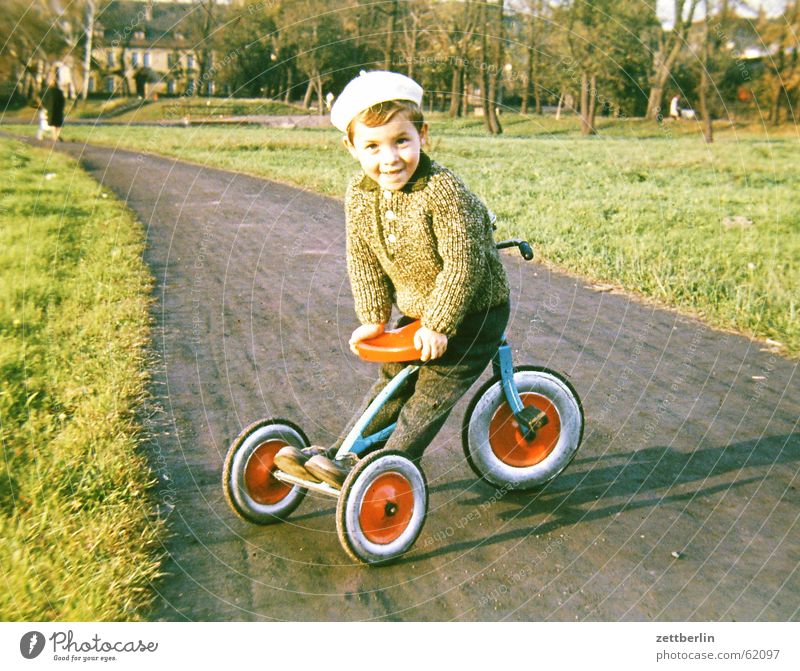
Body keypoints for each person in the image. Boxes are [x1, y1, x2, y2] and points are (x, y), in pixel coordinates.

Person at [274, 70, 511, 489]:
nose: (389, 159)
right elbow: (363, 258)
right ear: (351, 147)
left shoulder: (444, 191)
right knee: (394, 381)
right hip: (420, 314)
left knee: (433, 389)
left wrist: (439, 323)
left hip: (473, 311)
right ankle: (345, 456)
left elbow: (464, 264)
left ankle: (390, 464)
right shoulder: (360, 195)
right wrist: (374, 316)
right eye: (372, 146)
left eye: (401, 141)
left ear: (423, 134)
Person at [42, 76, 66, 141]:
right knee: (57, 124)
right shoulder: (59, 92)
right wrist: (62, 107)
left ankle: (55, 136)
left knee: (53, 123)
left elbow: (44, 101)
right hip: (57, 110)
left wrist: (46, 107)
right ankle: (56, 136)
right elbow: (63, 101)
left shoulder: (49, 91)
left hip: (51, 110)